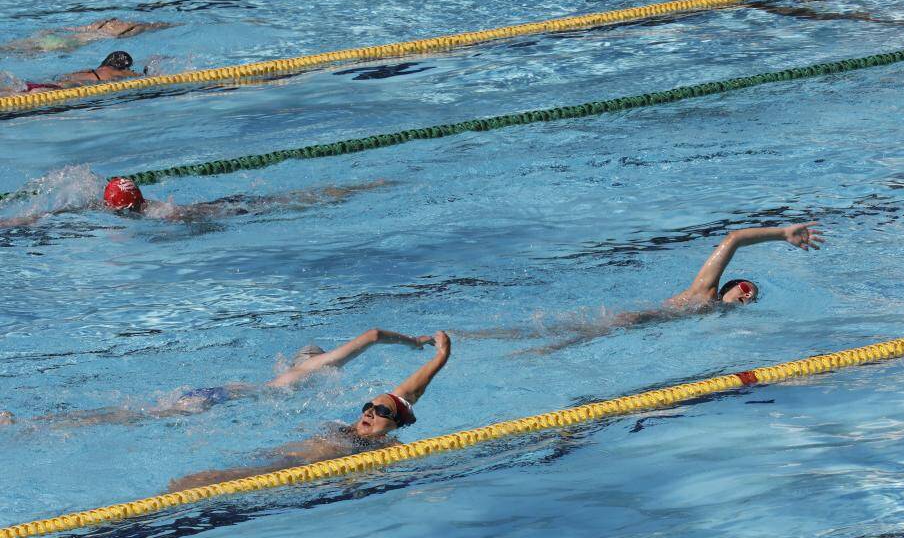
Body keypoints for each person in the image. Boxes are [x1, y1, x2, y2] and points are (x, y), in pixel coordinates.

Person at [460, 223, 824, 354]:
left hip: (636, 323)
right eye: (745, 287)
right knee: (553, 341)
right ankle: (537, 350)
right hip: (633, 319)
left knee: (536, 332)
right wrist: (781, 233)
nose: (746, 296)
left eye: (751, 297)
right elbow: (733, 239)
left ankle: (472, 336)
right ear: (730, 286)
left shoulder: (713, 312)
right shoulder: (704, 294)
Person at [0, 330, 450, 433]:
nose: (369, 410)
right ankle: (30, 424)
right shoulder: (319, 371)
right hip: (217, 403)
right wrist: (411, 343)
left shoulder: (288, 374)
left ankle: (35, 421)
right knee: (133, 418)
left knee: (136, 414)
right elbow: (370, 336)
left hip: (217, 394)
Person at [165, 330, 451, 492]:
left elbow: (409, 393)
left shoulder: (387, 447)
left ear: (396, 423)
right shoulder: (365, 433)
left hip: (284, 463)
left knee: (206, 480)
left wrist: (441, 357)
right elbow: (402, 394)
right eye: (369, 407)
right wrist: (426, 350)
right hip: (280, 453)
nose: (371, 412)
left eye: (380, 411)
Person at [0, 176, 393, 227]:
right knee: (282, 196)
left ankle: (353, 189)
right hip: (218, 202)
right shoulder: (137, 203)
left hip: (216, 211)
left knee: (287, 202)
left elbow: (187, 220)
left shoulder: (159, 212)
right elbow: (59, 209)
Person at [0, 51, 141, 96]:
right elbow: (138, 77)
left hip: (52, 83)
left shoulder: (89, 70)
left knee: (16, 89)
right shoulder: (116, 73)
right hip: (57, 89)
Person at [1, 18, 174, 54]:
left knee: (15, 47)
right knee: (27, 50)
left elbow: (71, 28)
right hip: (65, 44)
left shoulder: (99, 23)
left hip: (57, 37)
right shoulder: (132, 28)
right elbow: (153, 27)